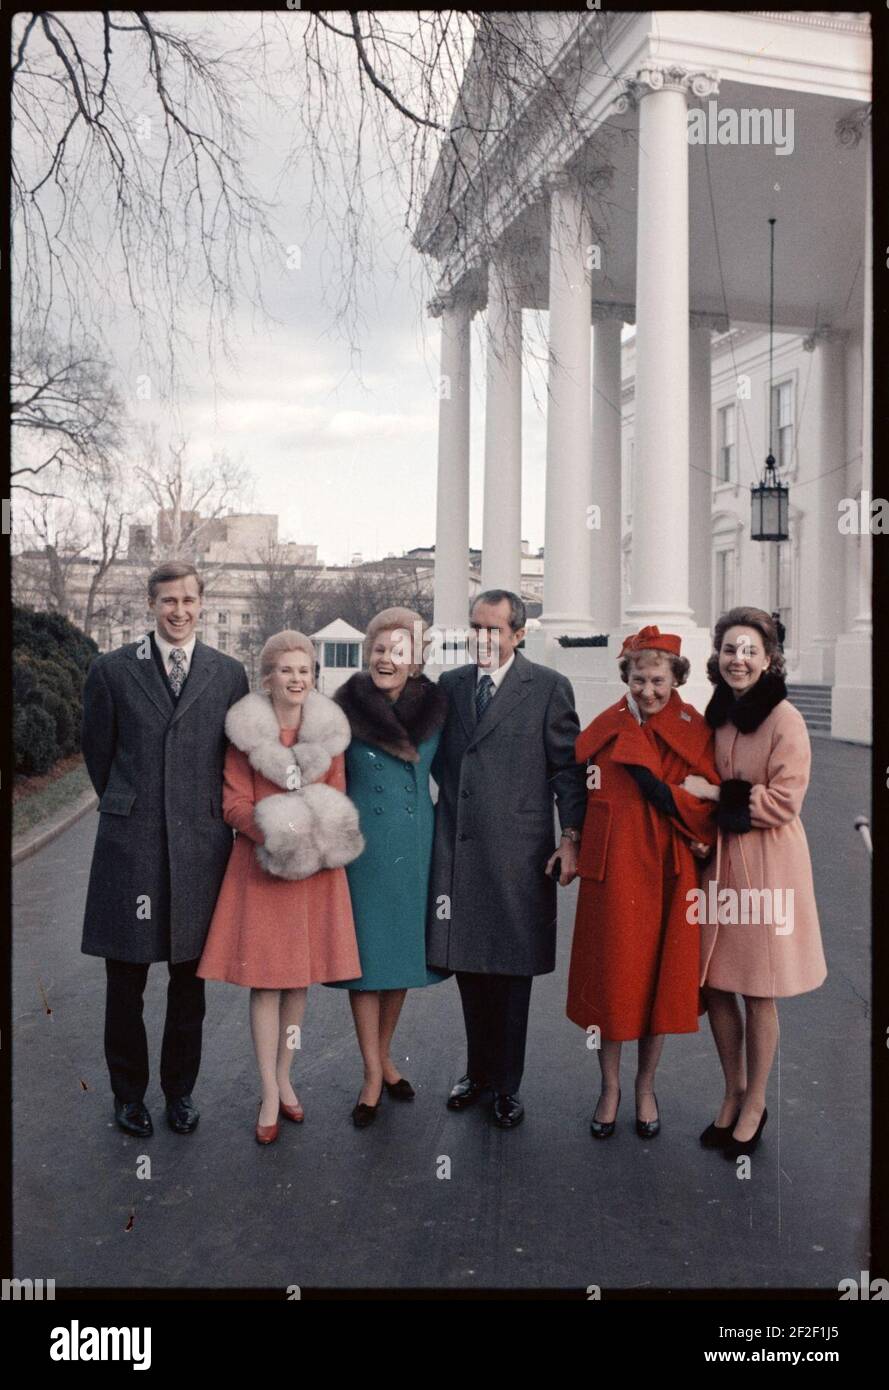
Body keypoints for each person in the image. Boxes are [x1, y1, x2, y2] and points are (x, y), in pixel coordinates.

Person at [81, 561, 249, 1138]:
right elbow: (99, 756)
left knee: (188, 981)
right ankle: (128, 1096)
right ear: (151, 605)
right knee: (125, 980)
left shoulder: (228, 674)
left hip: (200, 850)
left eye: (188, 601)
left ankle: (180, 1092)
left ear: (202, 603)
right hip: (131, 848)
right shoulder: (111, 671)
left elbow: (235, 757)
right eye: (167, 601)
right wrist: (134, 807)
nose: (178, 612)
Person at [427, 590, 587, 1128]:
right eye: (475, 627)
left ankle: (507, 1086)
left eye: (494, 630)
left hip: (521, 855)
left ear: (519, 633)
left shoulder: (546, 687)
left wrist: (571, 840)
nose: (482, 639)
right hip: (461, 847)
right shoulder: (449, 686)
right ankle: (477, 1072)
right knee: (469, 966)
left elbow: (567, 771)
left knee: (512, 974)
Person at [197, 631, 364, 1144]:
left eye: (305, 670)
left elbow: (336, 795)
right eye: (286, 670)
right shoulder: (245, 736)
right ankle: (268, 1089)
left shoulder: (331, 734)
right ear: (267, 677)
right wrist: (283, 831)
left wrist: (313, 836)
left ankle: (287, 1074)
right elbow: (234, 806)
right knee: (267, 983)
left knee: (298, 981)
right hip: (265, 867)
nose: (297, 679)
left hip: (315, 872)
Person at [683, 606, 827, 1160]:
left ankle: (757, 1100)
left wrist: (721, 796)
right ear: (717, 659)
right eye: (729, 650)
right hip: (719, 863)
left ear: (768, 660)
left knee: (757, 986)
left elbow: (786, 800)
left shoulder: (785, 718)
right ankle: (732, 1092)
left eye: (749, 651)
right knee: (717, 983)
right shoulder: (716, 714)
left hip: (767, 864)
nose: (738, 660)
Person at [567, 626, 718, 1139]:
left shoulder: (693, 728)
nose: (647, 691)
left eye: (657, 681)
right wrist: (571, 841)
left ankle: (645, 1087)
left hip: (669, 871)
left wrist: (685, 814)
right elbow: (580, 786)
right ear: (625, 677)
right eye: (637, 680)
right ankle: (609, 1087)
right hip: (613, 871)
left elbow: (706, 805)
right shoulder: (605, 726)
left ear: (676, 678)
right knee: (613, 984)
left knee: (658, 983)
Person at [331, 608, 449, 1127]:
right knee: (365, 964)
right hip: (363, 844)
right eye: (379, 648)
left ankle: (384, 1057)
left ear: (416, 659)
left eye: (398, 650)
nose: (387, 658)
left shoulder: (438, 709)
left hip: (413, 841)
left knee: (401, 957)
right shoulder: (343, 709)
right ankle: (371, 1073)